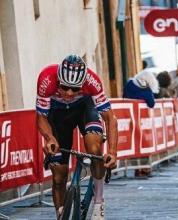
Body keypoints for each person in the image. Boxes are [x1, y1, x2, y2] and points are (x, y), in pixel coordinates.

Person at [36, 54, 118, 219]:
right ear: (58, 79)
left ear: (83, 83)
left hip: (84, 109)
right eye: (64, 87)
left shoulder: (92, 81)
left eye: (75, 89)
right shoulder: (46, 79)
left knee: (94, 148)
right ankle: (60, 214)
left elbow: (110, 118)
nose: (69, 93)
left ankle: (99, 203)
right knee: (59, 176)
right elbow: (41, 117)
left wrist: (112, 152)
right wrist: (49, 137)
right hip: (57, 115)